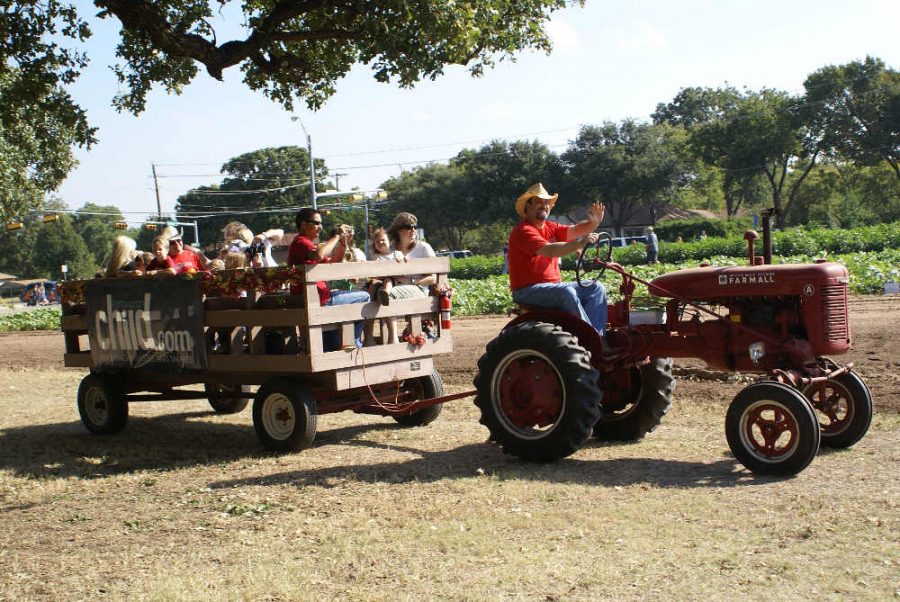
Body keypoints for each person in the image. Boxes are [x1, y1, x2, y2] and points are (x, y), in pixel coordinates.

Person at [507, 182, 608, 335]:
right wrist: (580, 243)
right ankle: (589, 337)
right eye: (539, 202)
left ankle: (599, 337)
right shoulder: (523, 231)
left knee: (596, 287)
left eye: (547, 203)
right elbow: (549, 250)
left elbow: (575, 230)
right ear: (527, 207)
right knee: (566, 291)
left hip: (551, 288)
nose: (544, 206)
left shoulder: (550, 227)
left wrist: (594, 222)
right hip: (527, 290)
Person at [288, 208, 370, 350]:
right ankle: (354, 343)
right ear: (303, 225)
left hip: (318, 298)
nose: (321, 227)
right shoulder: (301, 242)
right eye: (317, 223)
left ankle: (340, 341)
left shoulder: (306, 244)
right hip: (317, 300)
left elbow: (333, 262)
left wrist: (343, 243)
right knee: (365, 296)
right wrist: (337, 236)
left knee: (351, 296)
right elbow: (318, 255)